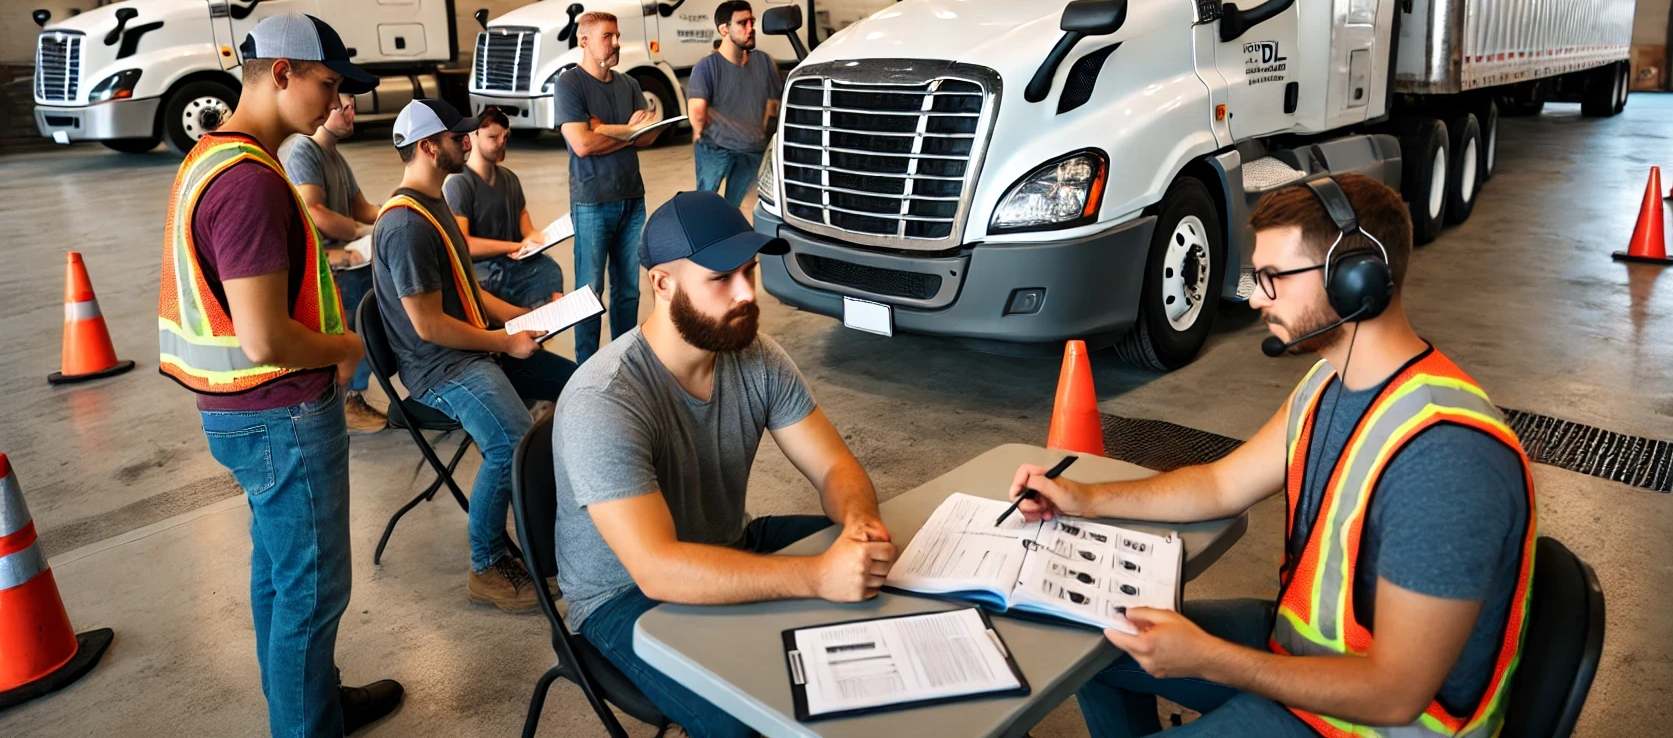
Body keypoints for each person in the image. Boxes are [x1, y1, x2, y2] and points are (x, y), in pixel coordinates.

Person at [1012, 173, 1534, 738]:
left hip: (1370, 724)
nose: (1255, 297)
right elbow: (1219, 486)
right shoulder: (1327, 383)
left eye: (1272, 278)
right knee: (1091, 640)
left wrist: (1206, 657)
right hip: (1298, 653)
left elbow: (1395, 695)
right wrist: (1083, 498)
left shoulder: (1446, 459)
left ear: (1358, 281)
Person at [554, 191, 894, 738]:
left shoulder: (753, 353)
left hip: (731, 545)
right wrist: (816, 576)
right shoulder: (605, 397)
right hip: (625, 599)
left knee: (892, 572)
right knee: (760, 720)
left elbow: (835, 468)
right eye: (721, 278)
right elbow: (657, 568)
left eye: (750, 271)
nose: (746, 294)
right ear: (662, 284)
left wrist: (858, 524)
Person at [157, 11, 402, 736]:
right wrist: (346, 350)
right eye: (327, 84)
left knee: (279, 571)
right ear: (283, 72)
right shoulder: (251, 184)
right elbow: (264, 336)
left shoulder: (216, 157)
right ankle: (306, 724)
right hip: (280, 411)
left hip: (242, 411)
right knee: (313, 589)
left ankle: (310, 702)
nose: (335, 103)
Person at [373, 98, 580, 612]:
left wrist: (525, 319)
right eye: (457, 137)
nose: (466, 142)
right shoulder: (406, 226)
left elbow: (469, 293)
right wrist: (505, 341)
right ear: (427, 146)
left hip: (471, 346)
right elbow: (428, 324)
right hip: (441, 366)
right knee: (511, 441)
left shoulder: (435, 203)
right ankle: (487, 565)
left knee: (574, 386)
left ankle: (560, 523)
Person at [555, 11, 666, 363]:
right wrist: (628, 132)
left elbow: (650, 137)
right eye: (608, 36)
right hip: (592, 202)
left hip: (632, 199)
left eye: (617, 35)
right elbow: (582, 145)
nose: (616, 43)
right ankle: (584, 370)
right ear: (583, 41)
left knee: (629, 292)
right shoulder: (569, 85)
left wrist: (605, 128)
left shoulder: (629, 84)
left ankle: (623, 363)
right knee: (589, 293)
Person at [278, 90, 389, 433]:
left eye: (353, 106)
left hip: (348, 255)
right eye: (343, 106)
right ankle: (344, 402)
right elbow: (315, 212)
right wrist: (359, 232)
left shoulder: (335, 157)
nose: (350, 112)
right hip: (326, 262)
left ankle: (352, 394)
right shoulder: (304, 151)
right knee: (360, 316)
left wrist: (398, 209)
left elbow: (361, 207)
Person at [444, 107, 564, 309]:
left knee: (548, 268)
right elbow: (465, 245)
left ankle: (541, 325)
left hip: (510, 261)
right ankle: (524, 322)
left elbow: (524, 221)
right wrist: (515, 247)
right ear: (473, 136)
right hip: (482, 268)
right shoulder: (459, 183)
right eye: (492, 137)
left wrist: (536, 239)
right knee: (503, 278)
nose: (501, 143)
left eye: (505, 137)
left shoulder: (509, 179)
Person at [688, 0, 782, 207]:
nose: (751, 28)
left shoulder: (764, 61)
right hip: (716, 148)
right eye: (742, 23)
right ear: (724, 29)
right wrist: (699, 132)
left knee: (743, 207)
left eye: (752, 22)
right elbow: (697, 112)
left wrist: (766, 139)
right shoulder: (706, 67)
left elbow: (775, 104)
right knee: (707, 202)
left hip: (752, 149)